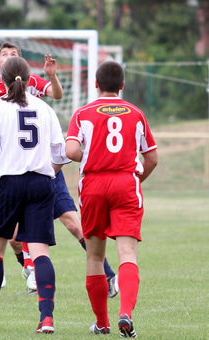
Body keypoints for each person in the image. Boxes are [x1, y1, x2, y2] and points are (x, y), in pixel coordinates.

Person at [0, 42, 118, 298]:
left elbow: (57, 94)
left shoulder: (32, 87)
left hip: (43, 169)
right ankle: (30, 272)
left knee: (72, 223)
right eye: (4, 55)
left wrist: (52, 76)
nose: (9, 58)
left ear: (21, 66)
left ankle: (107, 273)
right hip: (8, 170)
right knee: (15, 237)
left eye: (14, 55)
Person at [0, 56, 70, 334]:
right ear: (29, 78)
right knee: (39, 251)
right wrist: (46, 171)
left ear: (3, 79)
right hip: (41, 184)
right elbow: (61, 154)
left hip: (8, 183)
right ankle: (47, 319)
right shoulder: (45, 108)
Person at [65, 60, 158, 337]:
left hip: (93, 184)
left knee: (95, 257)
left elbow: (71, 151)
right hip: (126, 183)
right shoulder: (137, 113)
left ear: (95, 84)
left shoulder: (83, 113)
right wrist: (135, 180)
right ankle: (125, 313)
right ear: (122, 85)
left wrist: (90, 157)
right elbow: (151, 158)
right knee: (127, 254)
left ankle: (103, 323)